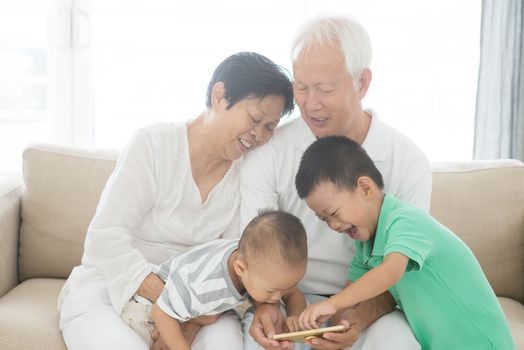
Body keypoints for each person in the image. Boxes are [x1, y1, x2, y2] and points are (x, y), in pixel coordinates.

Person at [58, 51, 295, 350]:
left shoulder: (250, 172)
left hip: (201, 306)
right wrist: (172, 306)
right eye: (255, 118)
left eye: (269, 127)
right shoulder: (153, 145)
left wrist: (189, 320)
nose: (258, 135)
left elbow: (242, 261)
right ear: (219, 95)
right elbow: (104, 239)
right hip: (113, 288)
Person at [240, 15, 432, 350]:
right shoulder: (269, 152)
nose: (311, 104)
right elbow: (252, 252)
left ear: (362, 83)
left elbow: (400, 271)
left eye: (326, 89)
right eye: (301, 87)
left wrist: (356, 317)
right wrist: (268, 305)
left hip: (368, 304)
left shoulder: (408, 162)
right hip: (285, 297)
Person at [294, 135, 515, 350]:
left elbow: (391, 272)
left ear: (365, 189)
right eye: (324, 219)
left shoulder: (405, 221)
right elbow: (351, 300)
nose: (333, 226)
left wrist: (332, 303)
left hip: (479, 343)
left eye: (334, 212)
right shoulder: (365, 246)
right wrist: (336, 329)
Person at [121, 210, 308, 350]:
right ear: (240, 269)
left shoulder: (258, 264)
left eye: (284, 288)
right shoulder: (206, 283)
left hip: (187, 305)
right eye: (271, 291)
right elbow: (161, 312)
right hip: (148, 306)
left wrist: (294, 315)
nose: (277, 298)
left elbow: (293, 294)